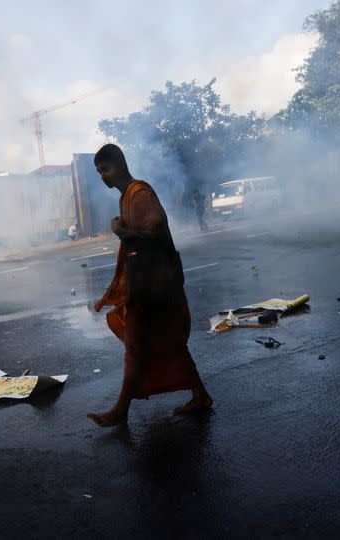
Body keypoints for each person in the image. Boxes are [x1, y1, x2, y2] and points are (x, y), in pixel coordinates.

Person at [87, 144, 213, 427]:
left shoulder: (140, 193)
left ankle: (120, 410)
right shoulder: (125, 197)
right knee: (166, 344)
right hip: (147, 284)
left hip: (156, 286)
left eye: (104, 170)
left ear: (119, 164)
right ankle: (201, 395)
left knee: (136, 346)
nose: (102, 177)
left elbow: (156, 229)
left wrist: (123, 232)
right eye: (98, 172)